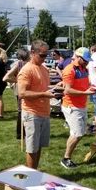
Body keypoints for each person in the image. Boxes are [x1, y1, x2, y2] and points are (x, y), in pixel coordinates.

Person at [17, 40, 61, 170]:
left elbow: (43, 87)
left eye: (46, 55)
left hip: (44, 112)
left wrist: (56, 87)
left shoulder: (43, 68)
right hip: (32, 114)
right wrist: (44, 94)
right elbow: (22, 94)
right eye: (42, 55)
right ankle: (31, 178)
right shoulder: (26, 70)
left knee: (39, 146)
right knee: (32, 148)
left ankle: (35, 173)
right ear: (32, 53)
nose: (45, 58)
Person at [58, 47, 96, 169]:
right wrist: (86, 93)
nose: (87, 62)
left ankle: (66, 157)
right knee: (77, 134)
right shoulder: (69, 70)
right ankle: (66, 158)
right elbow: (67, 90)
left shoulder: (83, 68)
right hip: (72, 106)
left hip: (80, 105)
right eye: (85, 60)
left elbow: (82, 84)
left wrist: (91, 86)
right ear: (78, 57)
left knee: (77, 133)